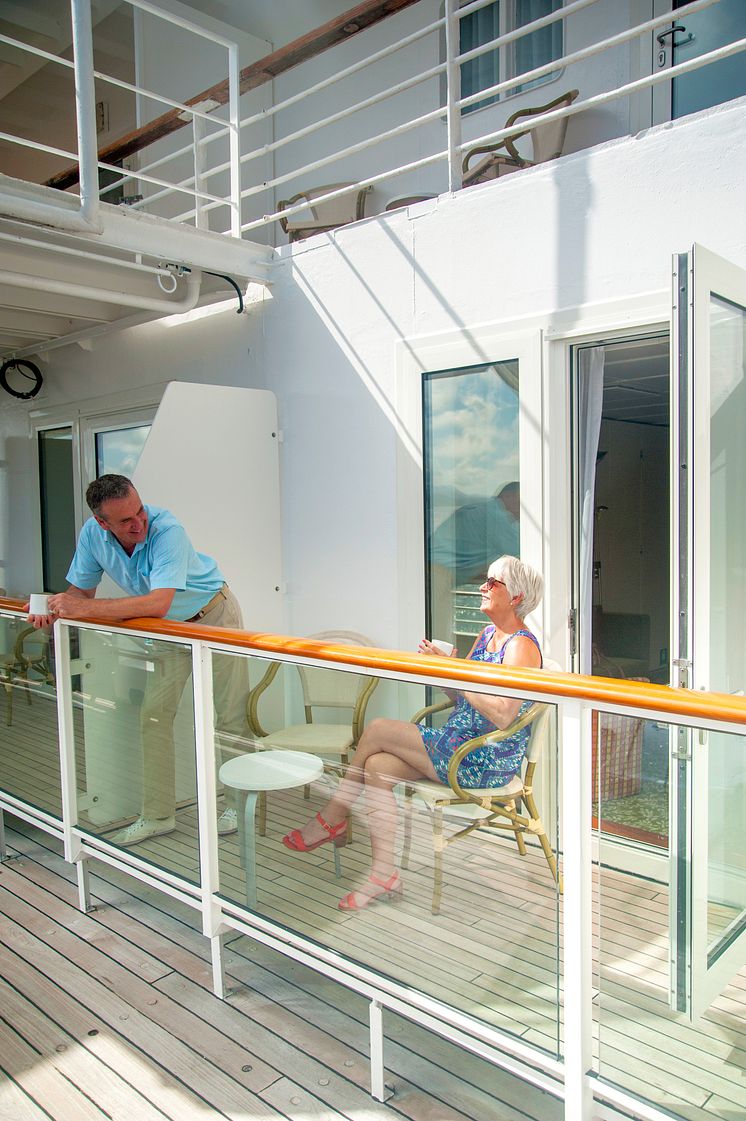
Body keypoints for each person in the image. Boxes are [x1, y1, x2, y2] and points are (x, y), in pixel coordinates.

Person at [281, 554, 543, 910]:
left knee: (377, 728)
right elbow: (462, 699)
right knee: (375, 768)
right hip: (457, 742)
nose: (483, 586)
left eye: (493, 583)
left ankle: (333, 816)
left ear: (515, 597)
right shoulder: (486, 636)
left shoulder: (521, 647)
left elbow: (502, 714)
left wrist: (454, 671)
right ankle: (383, 874)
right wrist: (443, 668)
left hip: (482, 758)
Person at [27, 474, 247, 846]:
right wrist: (56, 609)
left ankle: (238, 806)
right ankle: (158, 816)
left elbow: (156, 602)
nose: (138, 523)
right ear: (102, 523)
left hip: (213, 615)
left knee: (229, 715)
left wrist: (85, 608)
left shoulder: (167, 530)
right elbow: (80, 590)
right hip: (168, 629)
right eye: (127, 521)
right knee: (154, 717)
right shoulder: (92, 535)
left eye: (140, 511)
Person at [429, 482, 520, 644]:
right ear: (508, 496)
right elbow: (519, 549)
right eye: (519, 501)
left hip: (435, 570)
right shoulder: (495, 514)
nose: (521, 511)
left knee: (438, 629)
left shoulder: (483, 510)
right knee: (438, 633)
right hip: (437, 572)